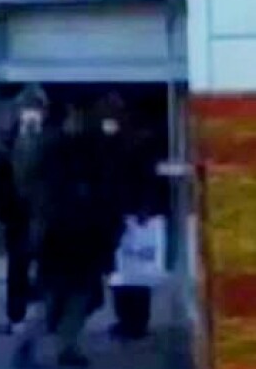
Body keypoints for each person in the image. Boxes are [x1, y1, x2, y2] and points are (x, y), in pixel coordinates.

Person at [13, 105, 122, 368]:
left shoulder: (54, 152)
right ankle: (62, 345)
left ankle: (41, 344)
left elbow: (35, 191)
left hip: (62, 235)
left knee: (58, 296)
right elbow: (103, 196)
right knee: (73, 296)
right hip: (75, 235)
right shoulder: (89, 153)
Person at [0, 84, 54, 334]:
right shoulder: (7, 142)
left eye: (36, 108)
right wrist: (3, 212)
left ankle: (50, 316)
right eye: (27, 108)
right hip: (18, 217)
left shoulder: (52, 141)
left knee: (49, 268)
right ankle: (16, 316)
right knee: (17, 268)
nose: (31, 113)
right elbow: (0, 181)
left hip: (46, 216)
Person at [96, 93, 157, 341]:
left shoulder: (130, 143)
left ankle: (133, 320)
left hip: (125, 212)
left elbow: (146, 178)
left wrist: (144, 207)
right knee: (126, 267)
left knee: (130, 267)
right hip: (120, 212)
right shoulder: (117, 143)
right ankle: (131, 320)